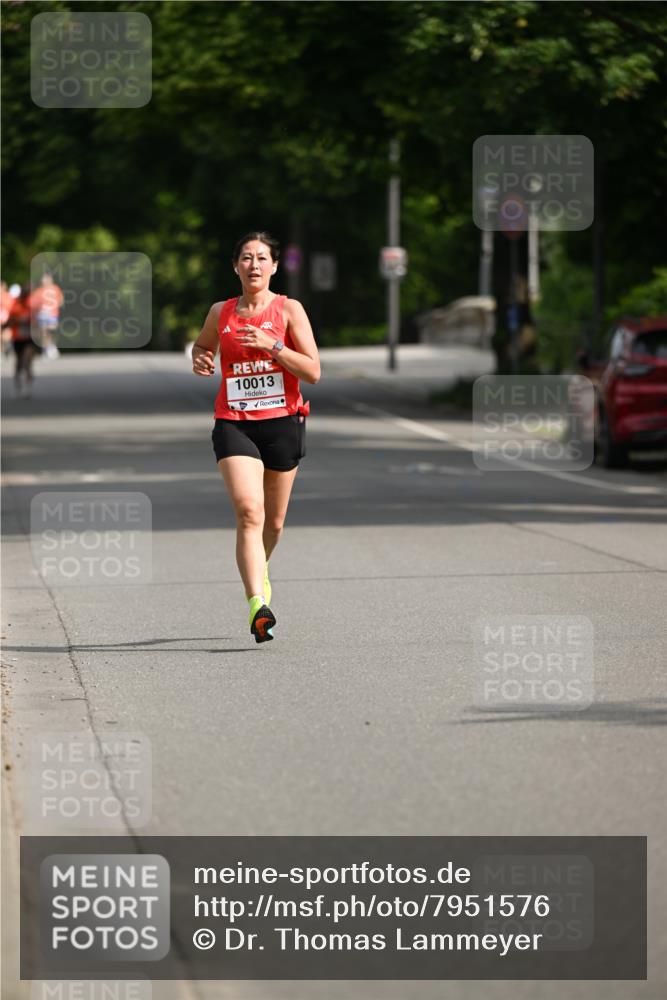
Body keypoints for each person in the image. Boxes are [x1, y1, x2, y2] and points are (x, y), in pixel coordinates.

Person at [192, 232, 320, 643]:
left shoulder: (289, 309)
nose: (254, 265)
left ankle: (260, 569)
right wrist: (201, 357)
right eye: (246, 258)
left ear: (274, 266)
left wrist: (274, 346)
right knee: (250, 512)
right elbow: (203, 346)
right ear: (235, 266)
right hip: (234, 422)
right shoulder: (221, 312)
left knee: (274, 523)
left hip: (283, 422)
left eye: (262, 258)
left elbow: (313, 371)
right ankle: (257, 605)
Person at [6, 286, 38, 397]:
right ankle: (18, 385)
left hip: (30, 338)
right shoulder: (15, 304)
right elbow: (9, 321)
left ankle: (28, 386)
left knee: (27, 361)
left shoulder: (32, 304)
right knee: (19, 362)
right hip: (17, 337)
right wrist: (18, 320)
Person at [30, 272, 63, 359]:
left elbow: (60, 300)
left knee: (52, 330)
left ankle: (52, 346)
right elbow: (33, 304)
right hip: (42, 314)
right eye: (43, 279)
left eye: (46, 279)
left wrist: (54, 305)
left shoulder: (55, 289)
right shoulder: (39, 291)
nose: (44, 281)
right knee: (44, 332)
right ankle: (45, 349)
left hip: (53, 314)